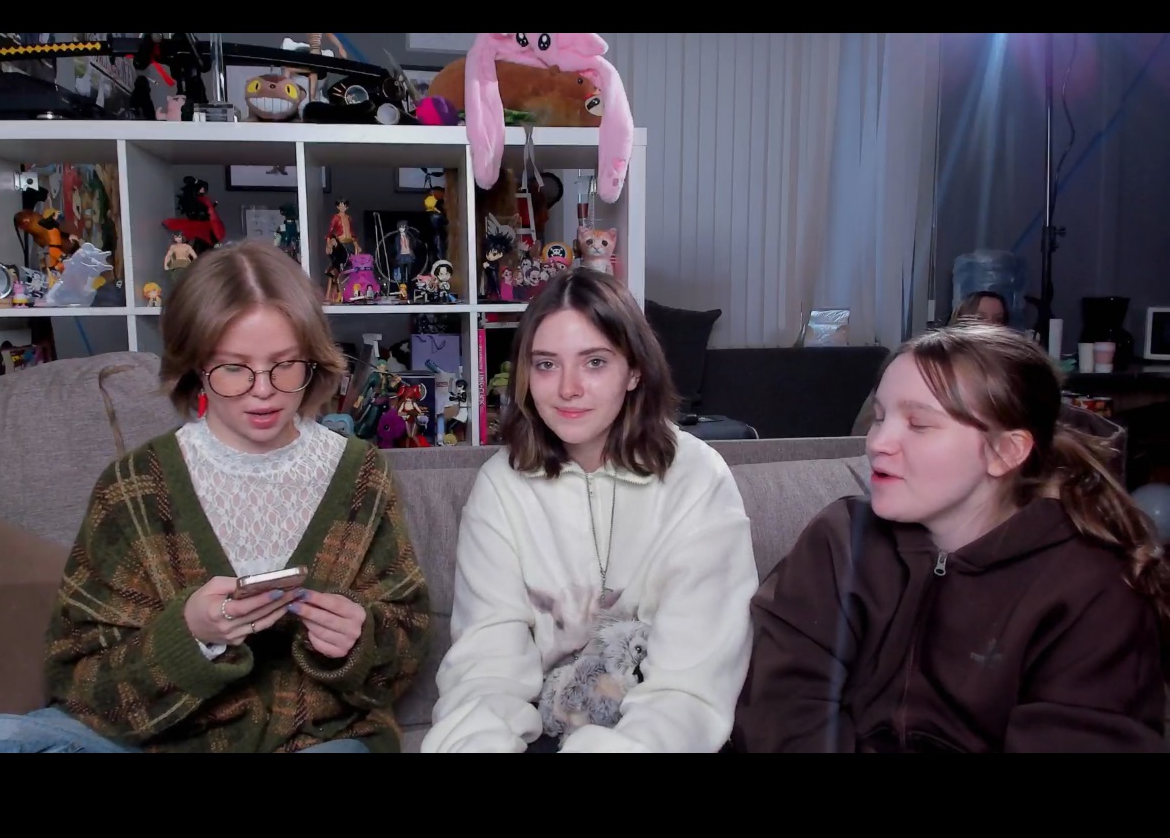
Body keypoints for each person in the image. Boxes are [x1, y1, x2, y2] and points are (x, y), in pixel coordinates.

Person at [0, 241, 431, 753]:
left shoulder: (361, 474)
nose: (263, 389)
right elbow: (80, 684)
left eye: (285, 364)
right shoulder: (133, 487)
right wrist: (189, 635)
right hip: (161, 739)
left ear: (314, 360)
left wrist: (360, 640)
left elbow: (405, 648)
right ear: (194, 365)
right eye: (233, 367)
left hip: (317, 737)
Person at [734, 323, 1169, 753]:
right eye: (880, 417)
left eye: (919, 424)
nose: (879, 442)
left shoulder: (1090, 591)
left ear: (1006, 451)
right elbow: (781, 711)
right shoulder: (842, 540)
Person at [421, 267, 758, 753]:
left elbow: (689, 688)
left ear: (635, 370)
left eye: (595, 362)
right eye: (546, 364)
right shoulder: (500, 485)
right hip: (545, 729)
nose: (568, 388)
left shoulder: (698, 479)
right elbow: (485, 669)